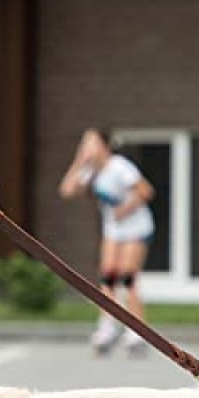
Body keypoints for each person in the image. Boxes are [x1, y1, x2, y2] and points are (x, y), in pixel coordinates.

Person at [59, 128, 155, 354]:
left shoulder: (119, 167)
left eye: (91, 143)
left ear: (104, 145)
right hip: (114, 230)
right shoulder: (90, 171)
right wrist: (78, 162)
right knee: (108, 277)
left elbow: (145, 191)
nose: (88, 148)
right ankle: (107, 327)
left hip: (136, 227)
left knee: (128, 277)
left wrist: (125, 209)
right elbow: (67, 191)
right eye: (84, 144)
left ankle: (136, 331)